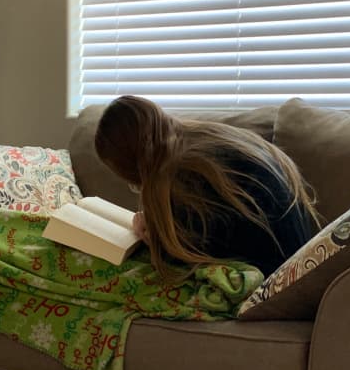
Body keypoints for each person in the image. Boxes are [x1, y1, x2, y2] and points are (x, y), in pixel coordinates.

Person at [95, 95, 320, 281]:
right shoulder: (210, 139)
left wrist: (151, 237)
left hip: (271, 278)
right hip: (293, 264)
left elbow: (191, 255)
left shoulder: (186, 175)